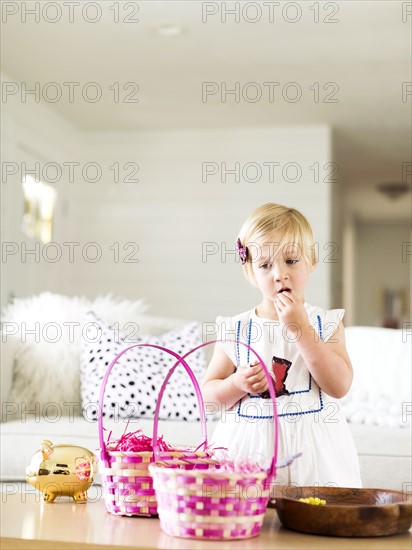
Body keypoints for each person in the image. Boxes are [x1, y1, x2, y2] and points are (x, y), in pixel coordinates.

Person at [201, 203, 361, 487]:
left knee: (315, 517)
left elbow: (339, 385)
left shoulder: (326, 323)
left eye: (291, 260)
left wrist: (301, 329)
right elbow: (209, 400)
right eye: (265, 265)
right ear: (251, 272)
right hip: (249, 453)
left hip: (313, 455)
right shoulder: (236, 329)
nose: (279, 274)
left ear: (311, 261)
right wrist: (237, 384)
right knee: (251, 522)